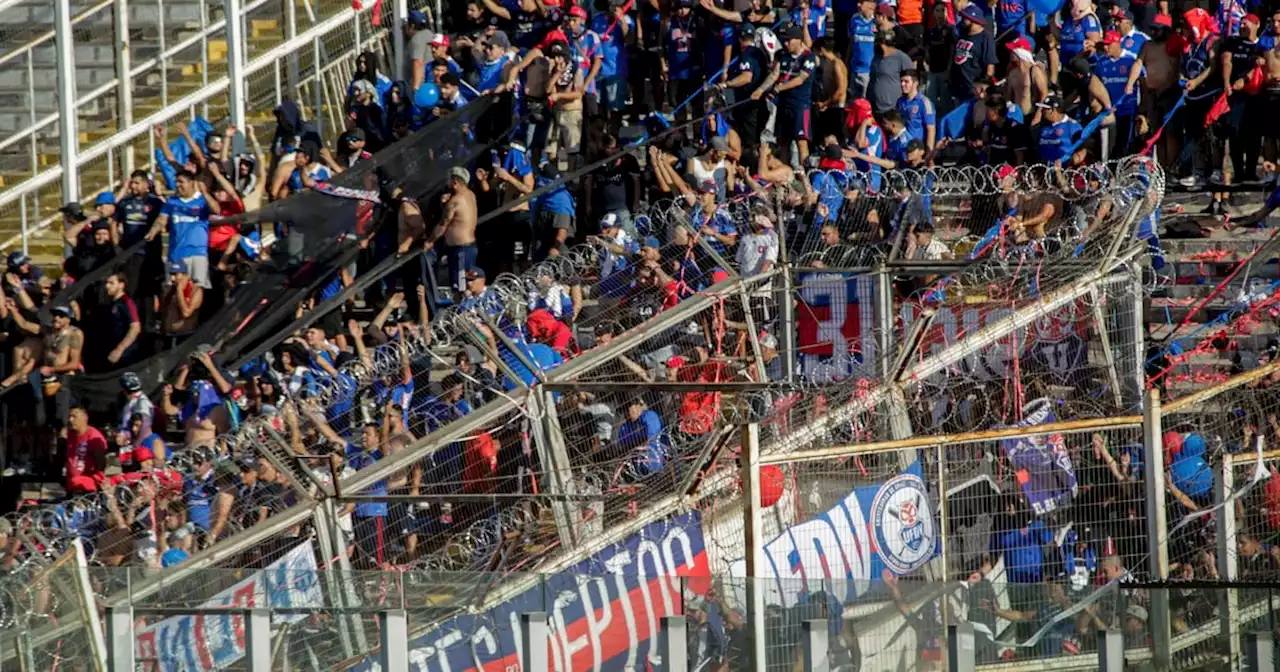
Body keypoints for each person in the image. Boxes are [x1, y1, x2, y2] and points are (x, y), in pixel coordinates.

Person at [755, 26, 819, 165]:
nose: (786, 43)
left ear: (799, 40)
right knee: (783, 141)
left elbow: (800, 79)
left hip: (800, 105)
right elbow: (774, 75)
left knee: (801, 142)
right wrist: (760, 90)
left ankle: (804, 174)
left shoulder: (809, 57)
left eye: (789, 40)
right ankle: (784, 173)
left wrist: (780, 88)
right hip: (784, 104)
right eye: (784, 40)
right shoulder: (782, 55)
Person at [147, 170, 220, 289]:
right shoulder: (171, 202)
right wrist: (153, 230)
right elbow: (161, 219)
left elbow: (217, 210)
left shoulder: (202, 201)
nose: (177, 185)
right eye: (176, 182)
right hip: (176, 254)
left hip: (197, 253)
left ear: (191, 183)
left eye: (181, 182)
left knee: (197, 290)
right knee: (172, 290)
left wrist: (205, 193)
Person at [425, 167, 479, 298]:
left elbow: (443, 224)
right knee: (466, 286)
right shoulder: (471, 195)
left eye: (448, 181)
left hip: (461, 251)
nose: (447, 184)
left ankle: (463, 316)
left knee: (461, 289)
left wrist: (430, 241)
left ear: (455, 182)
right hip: (469, 248)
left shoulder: (455, 201)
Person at [99, 271, 142, 368]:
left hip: (126, 356)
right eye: (106, 283)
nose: (107, 286)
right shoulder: (111, 303)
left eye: (111, 283)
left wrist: (120, 349)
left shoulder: (127, 302)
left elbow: (135, 327)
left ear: (121, 285)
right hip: (112, 353)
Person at [65, 405, 107, 494]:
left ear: (85, 417)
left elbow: (101, 465)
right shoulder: (71, 434)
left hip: (86, 488)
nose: (70, 420)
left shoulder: (94, 437)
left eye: (74, 416)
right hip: (71, 485)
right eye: (69, 417)